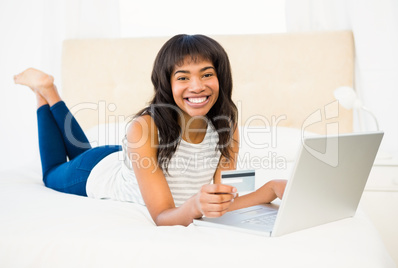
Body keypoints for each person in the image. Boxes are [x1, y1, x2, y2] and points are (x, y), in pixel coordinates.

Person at [14, 34, 287, 226]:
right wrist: (194, 206)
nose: (197, 86)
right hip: (94, 172)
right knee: (52, 173)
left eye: (207, 74)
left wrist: (272, 188)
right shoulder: (144, 127)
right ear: (167, 84)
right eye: (183, 78)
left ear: (221, 78)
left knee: (80, 149)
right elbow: (163, 216)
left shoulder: (227, 127)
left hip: (126, 159)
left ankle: (48, 93)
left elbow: (220, 200)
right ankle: (45, 93)